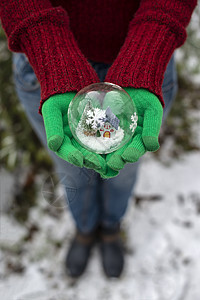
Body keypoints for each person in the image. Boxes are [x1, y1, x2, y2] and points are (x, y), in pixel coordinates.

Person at [0, 0, 197, 278]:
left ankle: (110, 227)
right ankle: (84, 227)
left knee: (124, 169)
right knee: (72, 167)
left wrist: (151, 41)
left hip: (145, 58)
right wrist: (45, 40)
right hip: (46, 60)